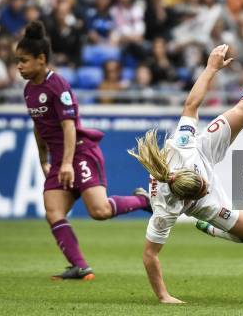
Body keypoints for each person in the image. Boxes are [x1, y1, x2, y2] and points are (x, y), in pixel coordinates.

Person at [128, 42, 243, 303]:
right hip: (197, 205)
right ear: (187, 200)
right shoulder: (167, 209)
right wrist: (164, 296)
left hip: (202, 150)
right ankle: (207, 225)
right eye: (204, 189)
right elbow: (150, 255)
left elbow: (191, 104)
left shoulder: (182, 149)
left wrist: (210, 68)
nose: (209, 185)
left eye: (204, 184)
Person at [15, 21, 151, 280]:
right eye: (17, 61)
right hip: (60, 158)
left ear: (41, 59)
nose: (19, 66)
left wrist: (66, 163)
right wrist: (44, 160)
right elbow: (38, 126)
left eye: (23, 60)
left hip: (79, 152)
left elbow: (69, 127)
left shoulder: (59, 86)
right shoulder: (29, 90)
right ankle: (80, 266)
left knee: (99, 211)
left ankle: (145, 201)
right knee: (53, 210)